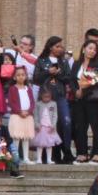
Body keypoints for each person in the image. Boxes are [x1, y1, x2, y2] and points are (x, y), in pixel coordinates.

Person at [33, 36, 74, 164]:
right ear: (50, 47)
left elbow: (69, 78)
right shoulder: (41, 60)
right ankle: (48, 155)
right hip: (45, 97)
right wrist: (48, 72)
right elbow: (36, 79)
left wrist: (58, 74)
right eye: (57, 46)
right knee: (47, 125)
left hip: (60, 96)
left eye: (61, 46)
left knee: (66, 122)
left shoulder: (63, 62)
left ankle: (66, 151)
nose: (60, 48)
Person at [69, 40, 98, 163]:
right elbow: (71, 79)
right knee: (80, 126)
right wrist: (76, 90)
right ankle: (82, 152)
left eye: (94, 49)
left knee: (96, 126)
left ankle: (97, 153)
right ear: (84, 49)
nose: (92, 51)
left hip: (93, 99)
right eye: (90, 48)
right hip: (79, 99)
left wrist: (87, 85)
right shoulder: (76, 64)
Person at [7, 67, 35, 164]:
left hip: (27, 116)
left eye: (23, 75)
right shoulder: (12, 89)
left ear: (26, 76)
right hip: (17, 115)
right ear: (14, 77)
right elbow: (11, 102)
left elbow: (32, 102)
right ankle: (16, 158)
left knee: (26, 137)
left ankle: (26, 158)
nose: (21, 77)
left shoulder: (29, 89)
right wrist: (19, 111)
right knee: (17, 137)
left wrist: (29, 111)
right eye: (18, 75)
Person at [31, 87, 60, 164]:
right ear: (41, 96)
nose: (47, 98)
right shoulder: (38, 104)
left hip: (50, 128)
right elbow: (35, 115)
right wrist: (37, 125)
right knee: (39, 144)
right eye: (45, 97)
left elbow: (55, 115)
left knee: (49, 144)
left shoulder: (53, 104)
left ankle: (49, 159)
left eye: (49, 97)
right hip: (41, 128)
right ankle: (39, 159)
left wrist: (53, 125)